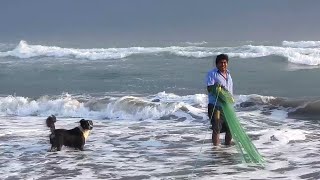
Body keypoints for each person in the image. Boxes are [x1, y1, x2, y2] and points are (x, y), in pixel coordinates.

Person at [206, 54, 233, 146]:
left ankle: (227, 148)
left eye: (225, 62)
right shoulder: (212, 74)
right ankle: (216, 151)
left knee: (230, 128)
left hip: (227, 107)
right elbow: (209, 88)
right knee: (216, 128)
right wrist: (216, 87)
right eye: (221, 63)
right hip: (216, 106)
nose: (223, 65)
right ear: (217, 64)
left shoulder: (228, 74)